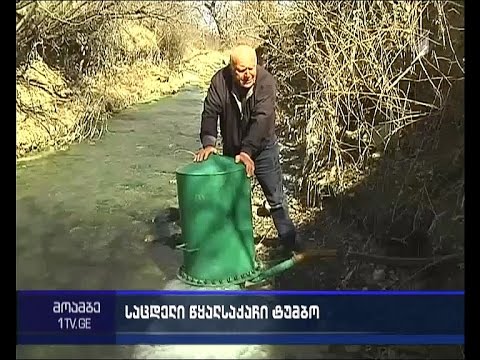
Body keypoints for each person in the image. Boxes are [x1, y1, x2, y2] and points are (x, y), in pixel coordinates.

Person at [193, 44, 305, 255]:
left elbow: (262, 120)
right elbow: (209, 112)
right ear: (231, 68)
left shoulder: (266, 82)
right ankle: (234, 246)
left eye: (251, 69)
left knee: (276, 198)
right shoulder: (219, 81)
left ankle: (291, 243)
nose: (247, 75)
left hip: (262, 149)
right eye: (241, 70)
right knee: (231, 198)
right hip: (232, 149)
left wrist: (248, 151)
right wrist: (209, 142)